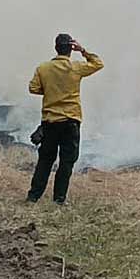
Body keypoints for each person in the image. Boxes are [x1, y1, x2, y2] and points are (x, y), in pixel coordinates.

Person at [26, 33, 104, 205]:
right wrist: (83, 50)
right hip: (70, 121)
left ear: (56, 48)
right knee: (67, 162)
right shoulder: (75, 67)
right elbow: (98, 63)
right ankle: (59, 199)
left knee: (45, 160)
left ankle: (33, 196)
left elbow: (33, 88)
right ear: (71, 49)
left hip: (50, 122)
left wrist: (50, 91)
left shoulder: (43, 68)